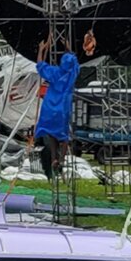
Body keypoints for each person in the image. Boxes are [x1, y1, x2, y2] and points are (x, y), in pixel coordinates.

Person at [34, 29, 97, 181]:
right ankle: (61, 159)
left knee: (50, 133)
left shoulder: (55, 72)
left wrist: (42, 49)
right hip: (63, 107)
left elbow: (40, 65)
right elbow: (73, 61)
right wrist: (68, 46)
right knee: (64, 135)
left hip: (50, 106)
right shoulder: (72, 73)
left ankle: (53, 157)